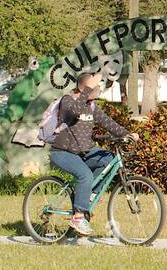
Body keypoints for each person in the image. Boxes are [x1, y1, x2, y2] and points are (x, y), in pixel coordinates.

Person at [48, 72, 139, 237]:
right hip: (63, 152)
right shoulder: (68, 101)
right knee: (85, 176)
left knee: (108, 159)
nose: (98, 89)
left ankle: (87, 196)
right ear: (84, 87)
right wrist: (87, 89)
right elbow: (75, 112)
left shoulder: (91, 105)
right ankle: (78, 217)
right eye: (94, 86)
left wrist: (127, 134)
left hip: (84, 151)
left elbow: (107, 122)